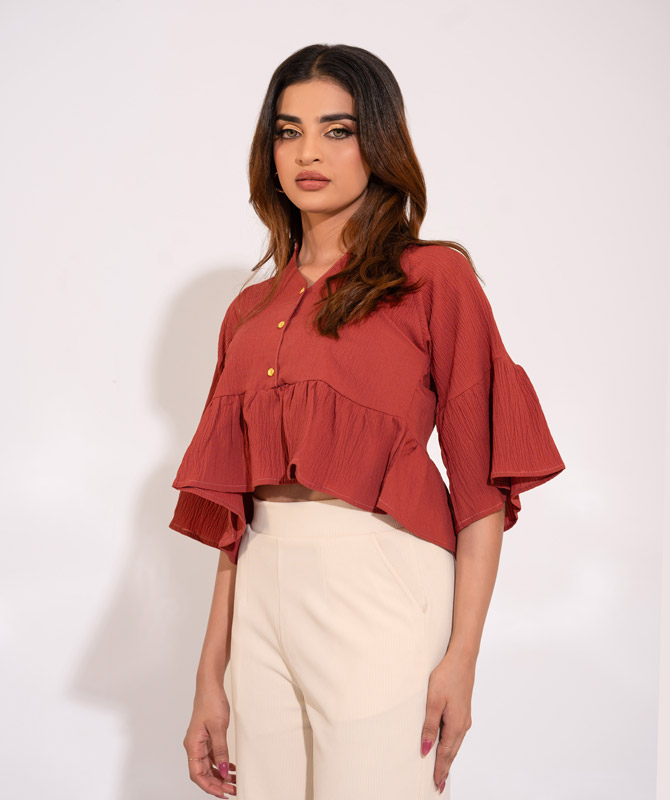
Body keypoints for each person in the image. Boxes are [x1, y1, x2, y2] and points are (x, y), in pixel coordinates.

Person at [168, 43, 566, 800]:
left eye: (337, 130)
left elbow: (479, 489)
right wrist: (208, 677)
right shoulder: (248, 311)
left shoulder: (431, 278)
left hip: (378, 578)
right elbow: (231, 514)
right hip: (261, 584)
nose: (308, 153)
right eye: (288, 132)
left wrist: (462, 658)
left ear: (378, 142)